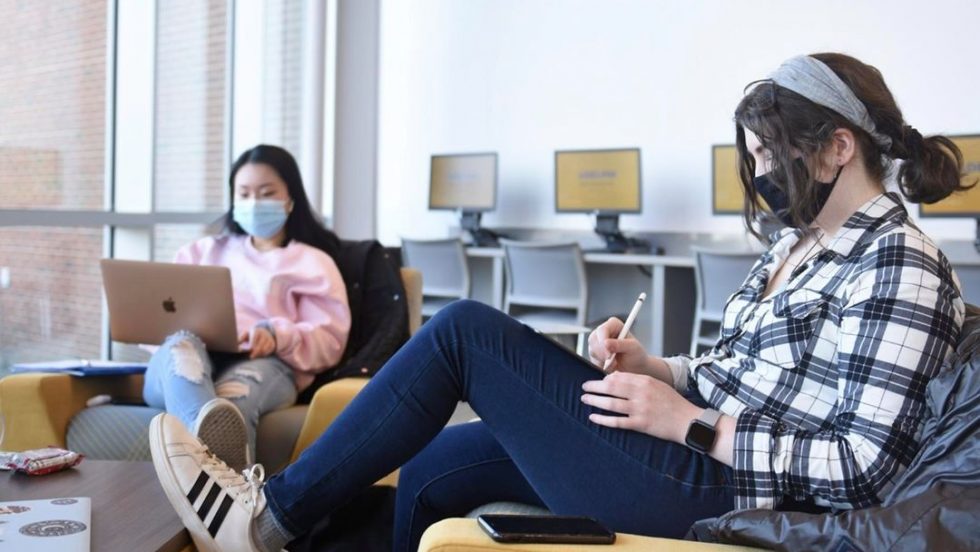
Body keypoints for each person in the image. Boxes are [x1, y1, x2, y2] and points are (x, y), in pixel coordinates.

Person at [148, 53, 968, 552]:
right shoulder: (798, 245)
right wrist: (661, 369)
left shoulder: (899, 264)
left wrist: (683, 419)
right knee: (433, 472)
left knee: (465, 333)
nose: (760, 176)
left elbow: (865, 471)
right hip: (692, 450)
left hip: (729, 490)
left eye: (772, 155)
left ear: (838, 146)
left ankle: (266, 520)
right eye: (752, 156)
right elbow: (744, 370)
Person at [142, 144, 351, 473]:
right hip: (188, 362)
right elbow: (158, 319)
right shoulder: (201, 252)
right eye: (244, 193)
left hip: (262, 364)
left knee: (228, 407)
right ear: (233, 199)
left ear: (290, 199)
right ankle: (211, 448)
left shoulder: (312, 262)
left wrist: (277, 334)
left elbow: (330, 340)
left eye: (267, 193)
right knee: (181, 349)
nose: (254, 203)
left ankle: (220, 491)